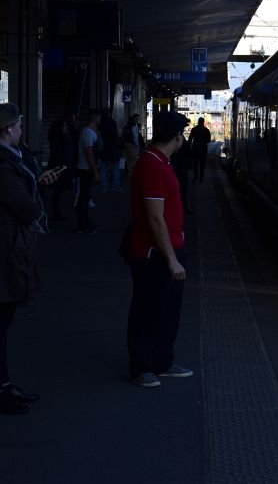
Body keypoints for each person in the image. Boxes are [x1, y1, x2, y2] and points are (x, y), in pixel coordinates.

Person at [0, 103, 63, 414]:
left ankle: (1, 384)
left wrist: (37, 182)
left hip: (4, 243)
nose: (20, 131)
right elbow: (25, 208)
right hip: (0, 247)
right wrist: (34, 190)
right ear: (8, 129)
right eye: (18, 126)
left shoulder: (3, 158)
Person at [125, 111, 192, 388]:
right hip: (154, 253)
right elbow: (155, 218)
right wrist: (172, 259)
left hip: (167, 249)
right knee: (148, 310)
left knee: (167, 310)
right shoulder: (152, 165)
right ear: (177, 137)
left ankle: (162, 362)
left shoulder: (160, 162)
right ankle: (141, 367)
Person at [76, 109, 101, 234]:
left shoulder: (89, 132)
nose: (100, 120)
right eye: (99, 118)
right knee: (84, 198)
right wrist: (95, 172)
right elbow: (89, 153)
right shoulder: (87, 133)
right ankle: (83, 225)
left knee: (85, 197)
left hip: (86, 169)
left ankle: (85, 222)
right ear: (95, 119)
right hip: (85, 169)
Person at [46, 115, 76, 220]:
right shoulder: (58, 138)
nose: (66, 127)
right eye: (64, 126)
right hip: (60, 168)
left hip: (61, 167)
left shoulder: (60, 137)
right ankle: (56, 213)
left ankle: (56, 212)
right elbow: (59, 154)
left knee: (58, 190)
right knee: (58, 190)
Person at [97, 108, 122, 193]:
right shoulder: (112, 123)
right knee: (115, 169)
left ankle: (104, 187)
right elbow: (115, 137)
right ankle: (115, 186)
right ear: (109, 114)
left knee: (103, 169)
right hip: (113, 150)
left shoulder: (100, 123)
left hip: (103, 150)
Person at [170, 127, 192, 214]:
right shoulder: (181, 140)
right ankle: (183, 207)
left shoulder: (170, 141)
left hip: (173, 167)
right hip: (182, 168)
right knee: (182, 189)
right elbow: (188, 152)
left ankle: (176, 207)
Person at [189, 117, 211, 183]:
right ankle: (201, 178)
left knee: (195, 163)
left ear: (198, 122)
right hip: (203, 149)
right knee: (202, 164)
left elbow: (190, 139)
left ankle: (195, 175)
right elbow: (208, 140)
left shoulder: (194, 129)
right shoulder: (206, 130)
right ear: (203, 122)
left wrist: (189, 147)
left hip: (195, 148)